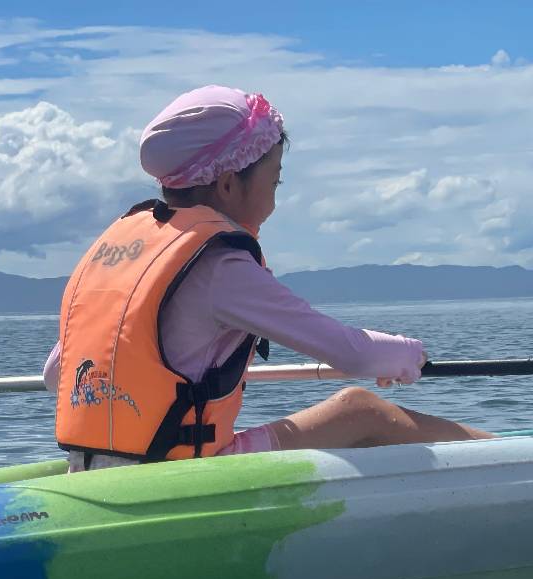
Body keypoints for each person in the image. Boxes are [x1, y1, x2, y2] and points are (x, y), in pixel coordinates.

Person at [44, 85, 494, 472]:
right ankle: (516, 459)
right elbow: (352, 354)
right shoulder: (220, 266)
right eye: (274, 183)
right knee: (360, 408)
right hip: (183, 475)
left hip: (89, 467)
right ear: (227, 185)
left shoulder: (122, 255)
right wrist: (408, 356)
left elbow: (53, 377)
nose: (275, 202)